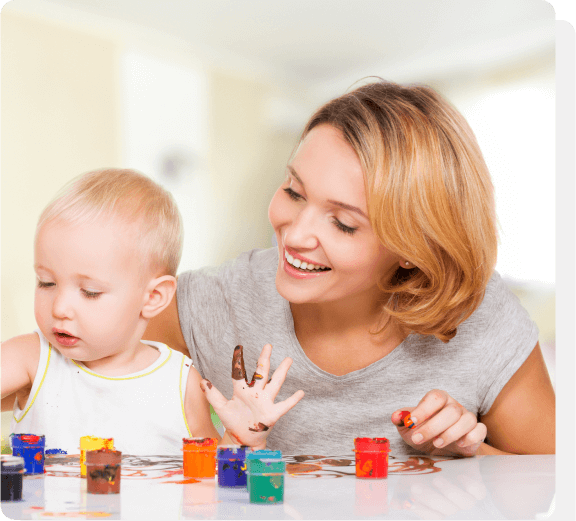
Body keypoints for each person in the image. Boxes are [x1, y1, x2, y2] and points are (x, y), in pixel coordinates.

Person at [146, 80, 555, 457]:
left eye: (343, 223)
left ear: (414, 247)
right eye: (294, 191)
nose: (295, 235)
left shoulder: (482, 320)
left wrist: (466, 453)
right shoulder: (213, 304)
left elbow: (556, 481)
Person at [0, 168, 304, 455]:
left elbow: (209, 473)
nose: (59, 307)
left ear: (154, 297)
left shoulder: (179, 382)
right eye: (46, 282)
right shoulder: (33, 358)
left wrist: (239, 437)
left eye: (90, 292)